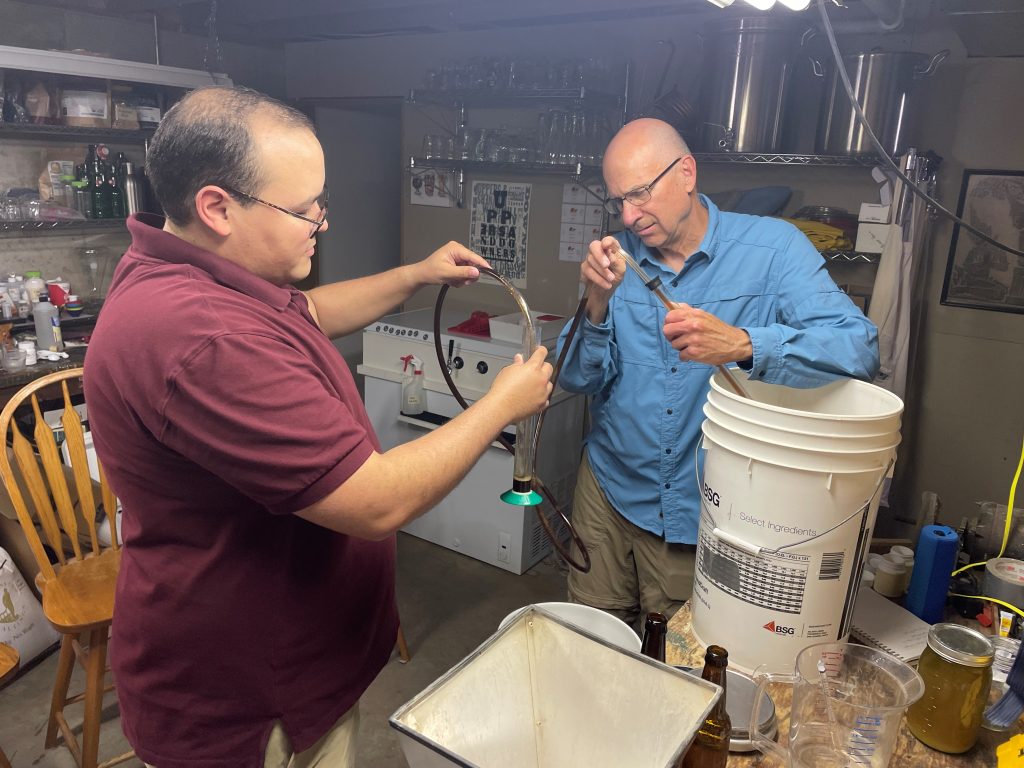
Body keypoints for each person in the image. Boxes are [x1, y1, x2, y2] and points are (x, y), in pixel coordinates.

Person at [83, 86, 553, 768]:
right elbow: (378, 501)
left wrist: (416, 274)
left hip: (294, 664)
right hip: (249, 699)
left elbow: (308, 312)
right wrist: (501, 407)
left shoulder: (201, 275)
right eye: (304, 210)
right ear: (216, 207)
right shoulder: (201, 337)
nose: (321, 224)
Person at [556, 118, 879, 630]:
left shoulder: (774, 250)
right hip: (608, 490)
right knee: (590, 640)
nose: (629, 215)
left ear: (686, 172)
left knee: (682, 661)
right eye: (617, 200)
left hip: (704, 507)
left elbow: (859, 347)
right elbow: (576, 379)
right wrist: (596, 303)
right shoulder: (619, 261)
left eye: (639, 194)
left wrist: (744, 344)